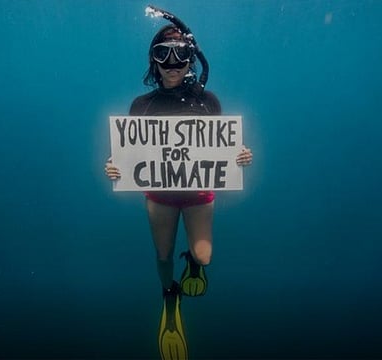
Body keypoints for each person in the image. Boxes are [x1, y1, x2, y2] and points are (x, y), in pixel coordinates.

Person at [105, 19, 253, 359]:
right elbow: (128, 153)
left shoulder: (209, 101)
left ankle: (195, 264)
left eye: (181, 55)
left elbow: (223, 147)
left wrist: (241, 155)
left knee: (204, 255)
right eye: (163, 54)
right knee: (163, 256)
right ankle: (169, 295)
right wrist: (113, 166)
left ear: (192, 59)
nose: (172, 64)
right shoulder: (141, 106)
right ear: (153, 60)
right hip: (159, 194)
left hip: (200, 192)